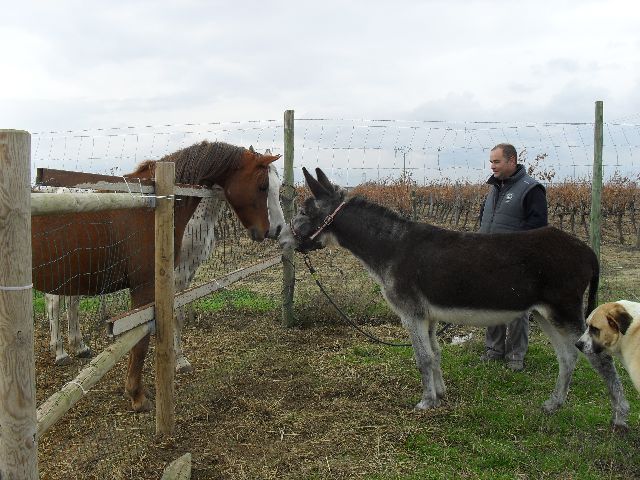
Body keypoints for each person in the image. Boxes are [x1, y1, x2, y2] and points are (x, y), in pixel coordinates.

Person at [478, 143, 548, 371]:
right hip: (490, 260)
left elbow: (537, 230)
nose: (492, 166)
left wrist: (517, 256)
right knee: (491, 306)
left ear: (512, 161)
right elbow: (485, 222)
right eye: (491, 161)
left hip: (517, 263)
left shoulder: (532, 189)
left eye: (496, 161)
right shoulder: (493, 189)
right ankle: (494, 350)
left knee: (517, 310)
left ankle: (516, 355)